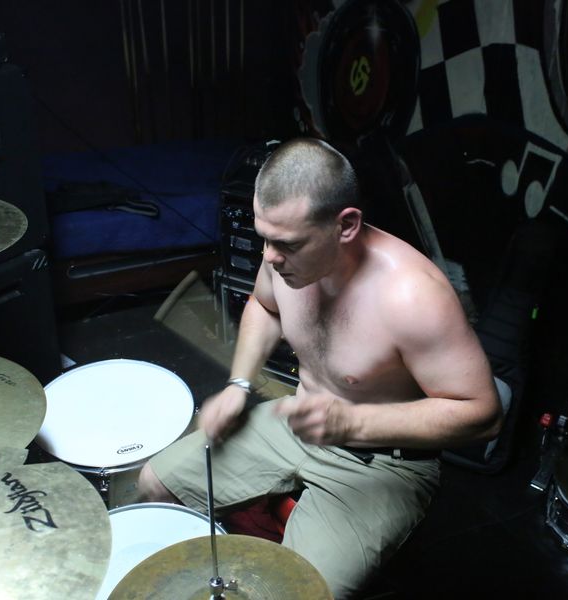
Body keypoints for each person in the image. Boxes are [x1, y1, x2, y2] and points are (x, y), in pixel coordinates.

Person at [138, 137, 502, 599]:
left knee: (300, 593)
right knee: (154, 485)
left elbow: (482, 414)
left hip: (380, 462)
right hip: (294, 421)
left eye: (286, 244)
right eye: (265, 238)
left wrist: (352, 422)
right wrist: (238, 384)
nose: (269, 257)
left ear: (345, 225)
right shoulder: (283, 259)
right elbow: (264, 306)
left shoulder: (413, 297)